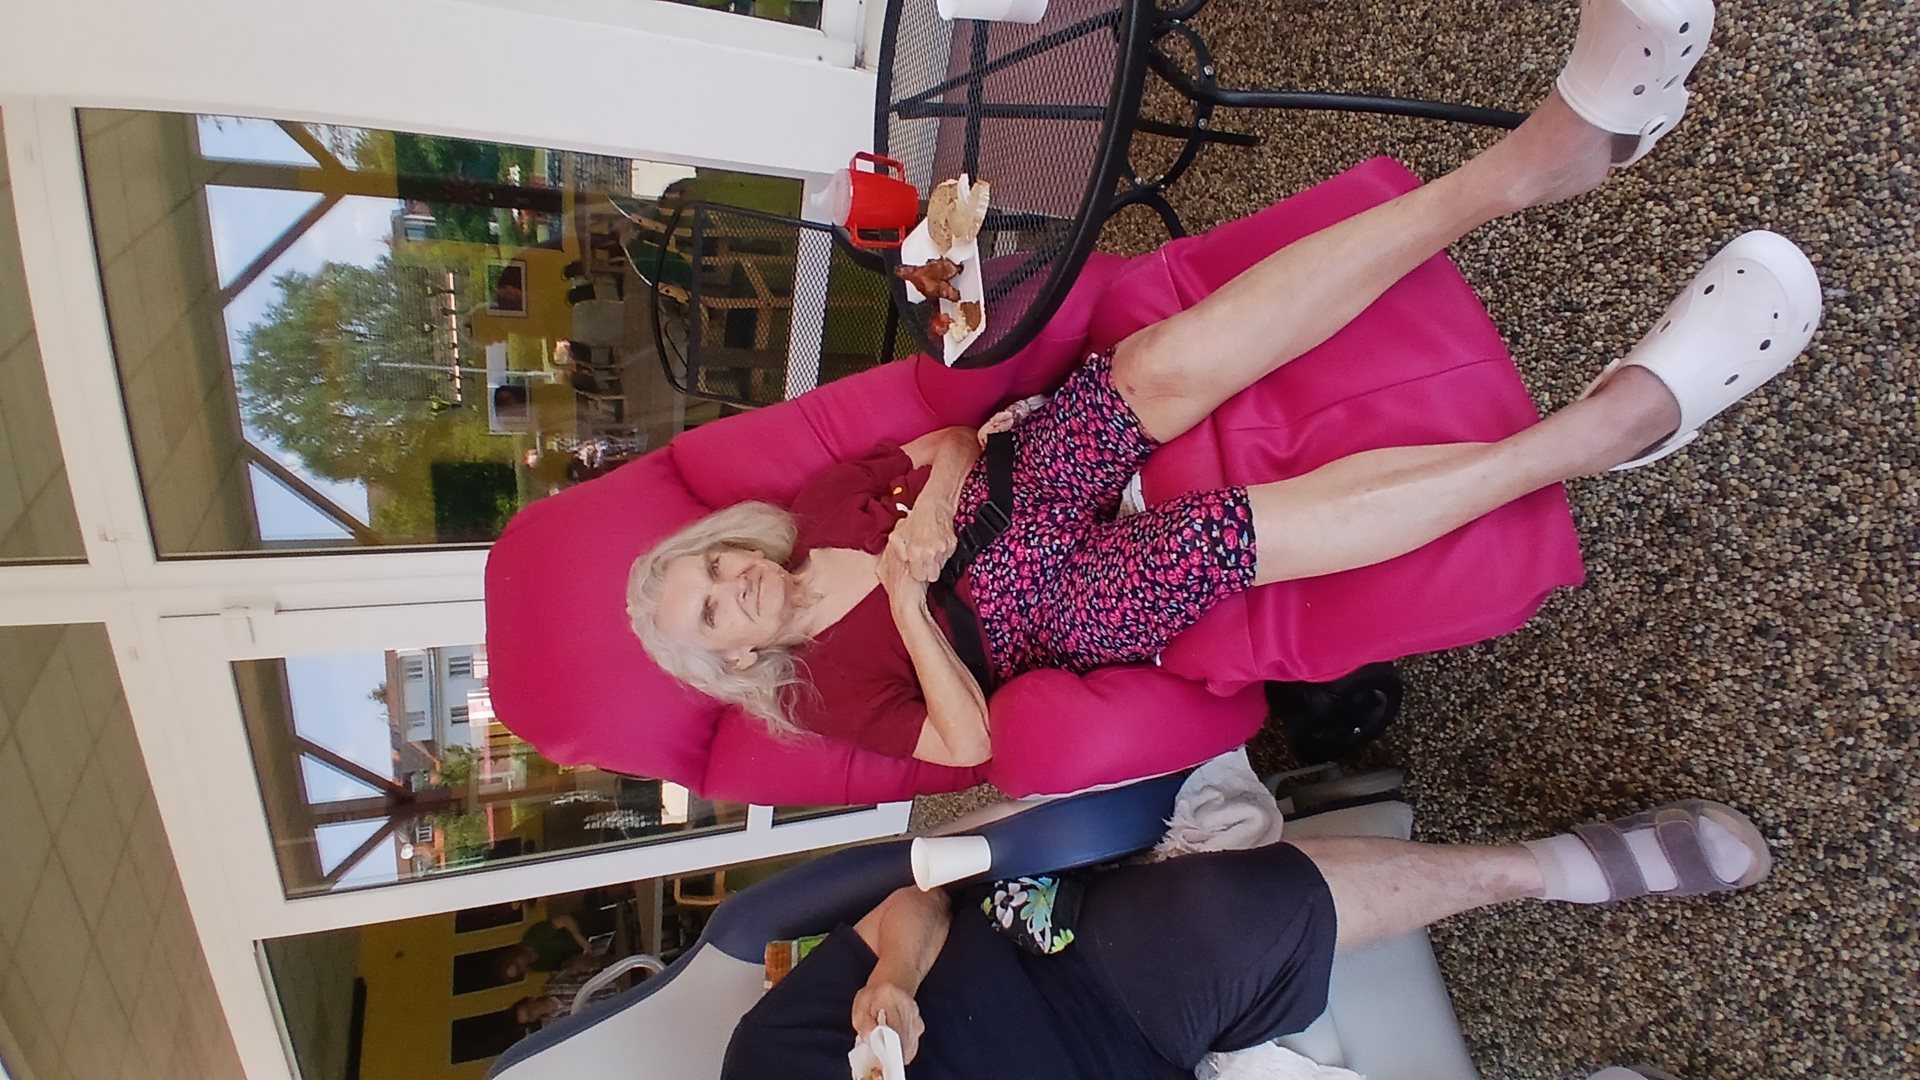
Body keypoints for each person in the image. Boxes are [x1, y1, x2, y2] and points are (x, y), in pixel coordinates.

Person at [626, 0, 1822, 767]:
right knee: (1220, 541)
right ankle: (1602, 431)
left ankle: (1535, 161)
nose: (736, 584)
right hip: (1047, 612)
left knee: (1151, 365)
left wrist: (935, 500)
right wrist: (904, 595)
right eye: (716, 611)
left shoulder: (807, 514)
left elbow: (939, 448)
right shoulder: (825, 697)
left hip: (1017, 481)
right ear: (730, 661)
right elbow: (967, 744)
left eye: (715, 567)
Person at [720, 798, 1774, 1079]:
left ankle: (1548, 868)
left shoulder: (765, 1059)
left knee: (1229, 921)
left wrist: (893, 980)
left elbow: (910, 905)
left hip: (1070, 968)